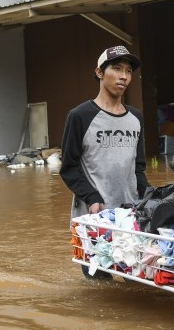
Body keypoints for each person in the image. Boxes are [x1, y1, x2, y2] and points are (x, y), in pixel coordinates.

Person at [60, 45, 151, 276]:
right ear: (100, 73)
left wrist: (149, 199)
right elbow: (69, 168)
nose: (123, 76)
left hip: (130, 219)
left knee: (137, 287)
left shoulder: (136, 118)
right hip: (94, 219)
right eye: (117, 68)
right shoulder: (80, 116)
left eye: (129, 71)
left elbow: (138, 168)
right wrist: (91, 197)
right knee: (100, 291)